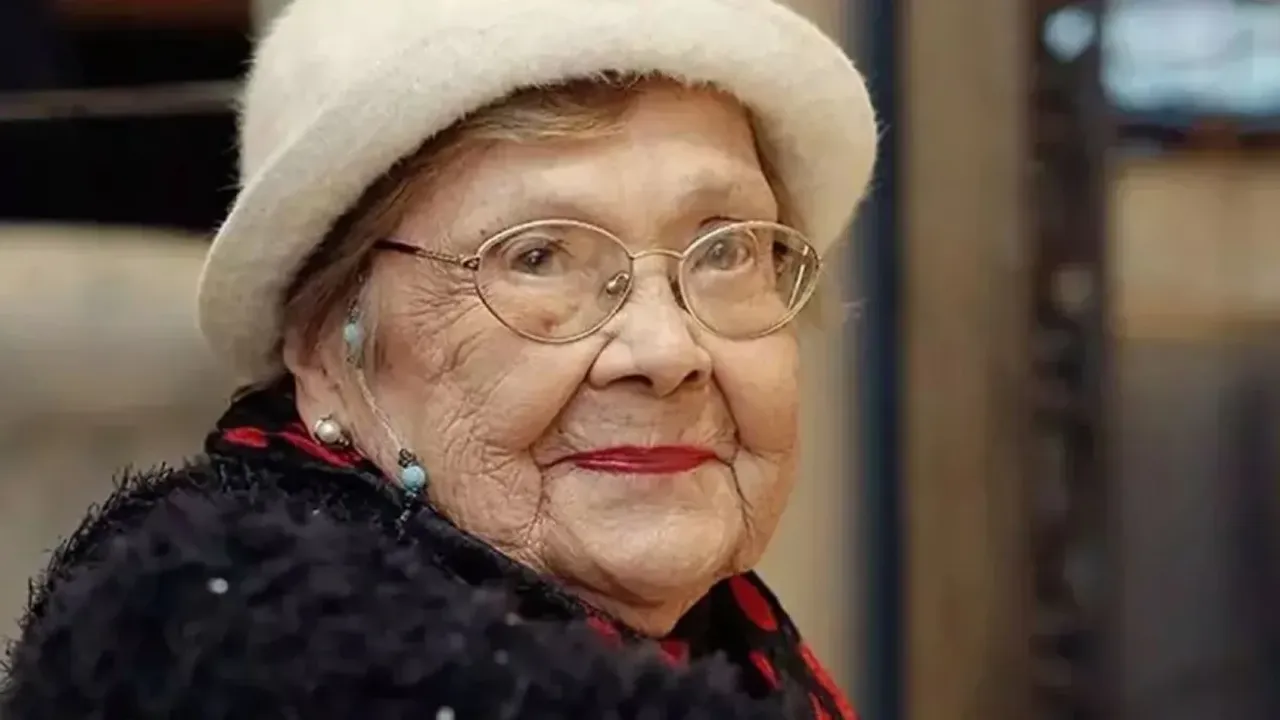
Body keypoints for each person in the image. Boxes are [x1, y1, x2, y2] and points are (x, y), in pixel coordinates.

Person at [0, 0, 876, 717]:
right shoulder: (234, 660)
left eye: (725, 250)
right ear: (326, 348)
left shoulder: (736, 656)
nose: (667, 349)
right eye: (539, 257)